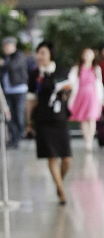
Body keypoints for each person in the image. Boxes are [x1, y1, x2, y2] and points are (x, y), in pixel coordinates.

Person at [26, 42, 72, 205]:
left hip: (60, 117)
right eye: (38, 53)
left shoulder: (61, 70)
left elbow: (69, 89)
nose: (39, 56)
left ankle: (59, 182)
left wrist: (67, 93)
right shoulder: (34, 74)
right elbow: (30, 100)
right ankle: (61, 191)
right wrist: (28, 122)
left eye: (43, 53)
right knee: (51, 156)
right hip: (43, 119)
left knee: (67, 158)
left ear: (51, 54)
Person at [68, 49, 104, 152]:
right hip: (81, 95)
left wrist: (101, 98)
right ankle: (86, 139)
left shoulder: (96, 69)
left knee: (92, 117)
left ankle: (90, 139)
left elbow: (99, 84)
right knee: (83, 118)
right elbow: (72, 82)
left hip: (93, 96)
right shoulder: (77, 69)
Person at [0, 36, 29, 148]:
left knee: (19, 115)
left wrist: (3, 63)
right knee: (9, 116)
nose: (5, 48)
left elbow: (13, 66)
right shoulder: (6, 58)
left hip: (19, 90)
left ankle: (19, 136)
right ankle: (14, 139)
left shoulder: (19, 56)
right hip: (7, 91)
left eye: (7, 46)